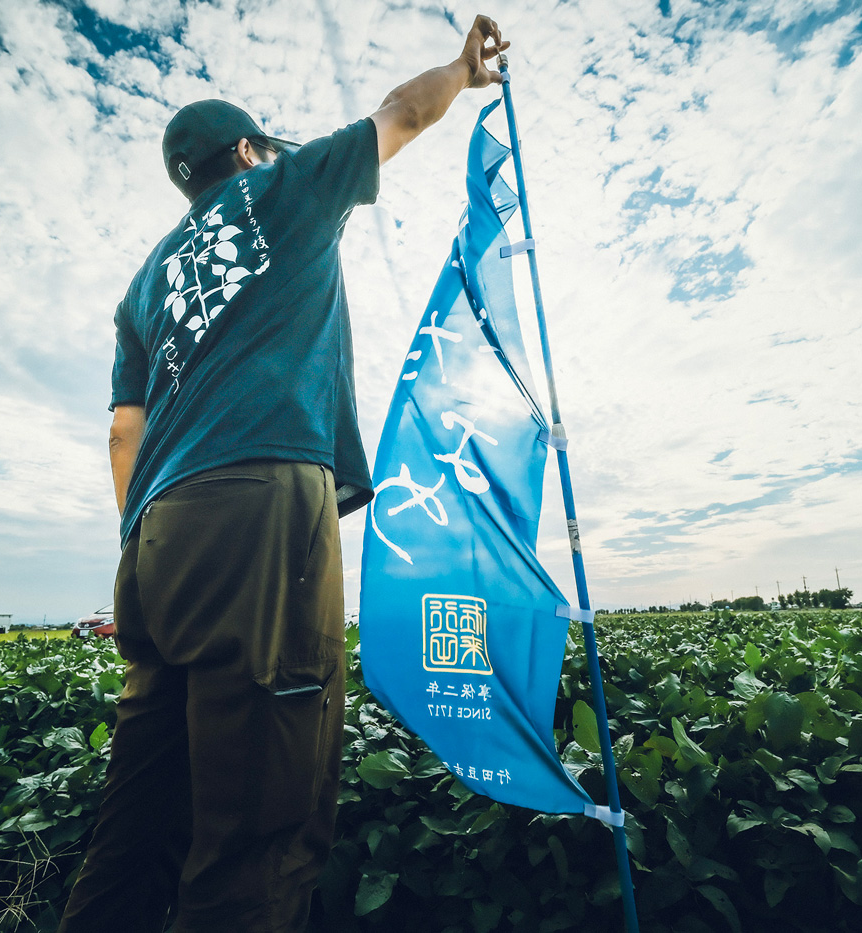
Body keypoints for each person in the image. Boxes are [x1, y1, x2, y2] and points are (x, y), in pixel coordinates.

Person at [58, 15, 509, 933]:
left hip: (153, 534)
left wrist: (142, 529)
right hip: (260, 510)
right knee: (262, 816)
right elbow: (402, 115)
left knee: (139, 807)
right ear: (251, 148)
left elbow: (121, 431)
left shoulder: (145, 284)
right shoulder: (286, 187)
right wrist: (461, 73)